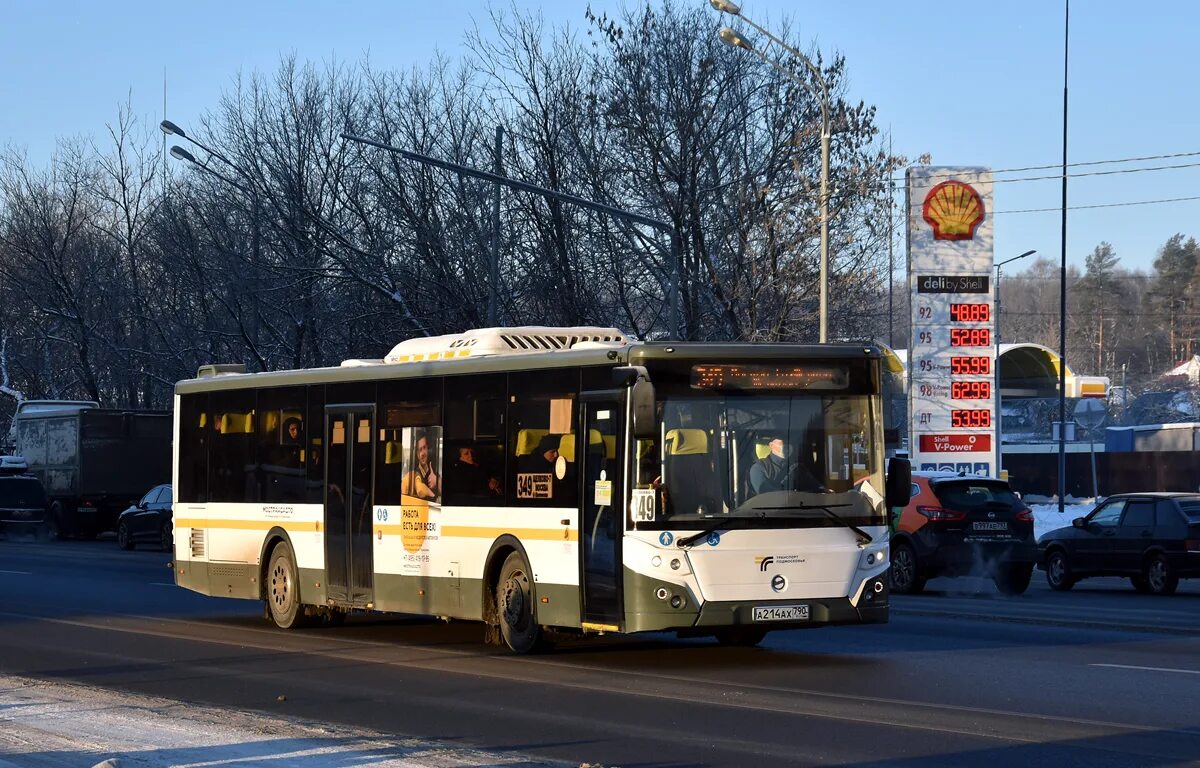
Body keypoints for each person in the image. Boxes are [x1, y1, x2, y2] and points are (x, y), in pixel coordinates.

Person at [749, 435, 821, 495]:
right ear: (771, 445)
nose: (788, 446)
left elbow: (815, 486)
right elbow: (766, 495)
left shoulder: (797, 467)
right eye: (783, 442)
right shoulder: (759, 468)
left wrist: (823, 491)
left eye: (790, 443)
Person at [402, 430, 439, 501]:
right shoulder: (415, 472)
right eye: (419, 450)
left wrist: (436, 481)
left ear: (428, 449)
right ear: (416, 454)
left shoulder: (433, 471)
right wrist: (434, 497)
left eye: (424, 448)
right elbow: (420, 489)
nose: (422, 453)